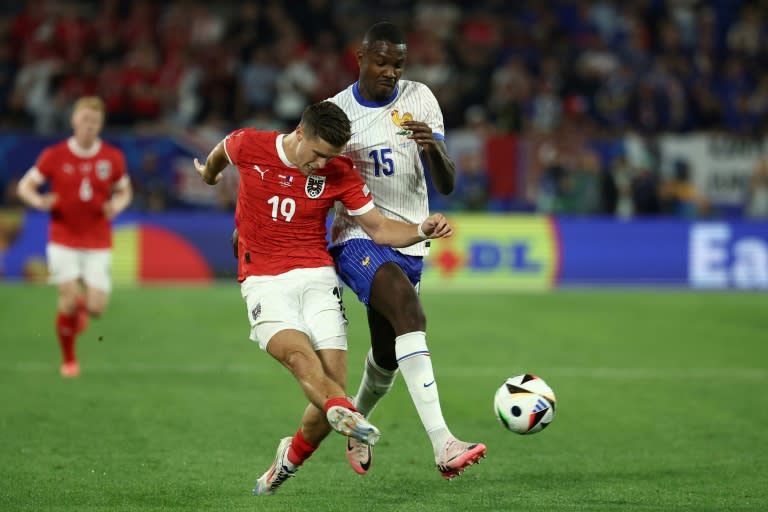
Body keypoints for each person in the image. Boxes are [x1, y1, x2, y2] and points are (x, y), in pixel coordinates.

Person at [193, 100, 453, 496]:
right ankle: (345, 412)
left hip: (316, 275)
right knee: (301, 361)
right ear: (300, 132)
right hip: (263, 279)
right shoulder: (250, 144)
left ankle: (291, 458)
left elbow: (379, 229)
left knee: (330, 385)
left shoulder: (339, 171)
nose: (321, 164)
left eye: (330, 157)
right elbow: (218, 156)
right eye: (317, 154)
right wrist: (209, 176)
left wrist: (421, 229)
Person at [327, 22, 486, 480]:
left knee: (387, 352)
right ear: (360, 58)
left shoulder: (420, 99)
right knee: (410, 314)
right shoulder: (337, 112)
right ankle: (443, 443)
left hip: (411, 240)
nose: (390, 72)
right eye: (381, 62)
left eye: (397, 64)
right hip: (357, 237)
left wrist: (429, 147)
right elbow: (310, 176)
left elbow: (448, 183)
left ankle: (355, 420)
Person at [16, 96, 132, 378]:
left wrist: (115, 206)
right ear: (73, 120)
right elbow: (25, 187)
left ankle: (78, 311)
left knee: (96, 308)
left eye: (94, 121)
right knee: (67, 300)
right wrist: (39, 201)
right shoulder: (54, 155)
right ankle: (69, 359)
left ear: (101, 125)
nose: (89, 126)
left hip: (97, 239)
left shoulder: (112, 157)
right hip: (63, 237)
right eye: (84, 119)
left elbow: (124, 191)